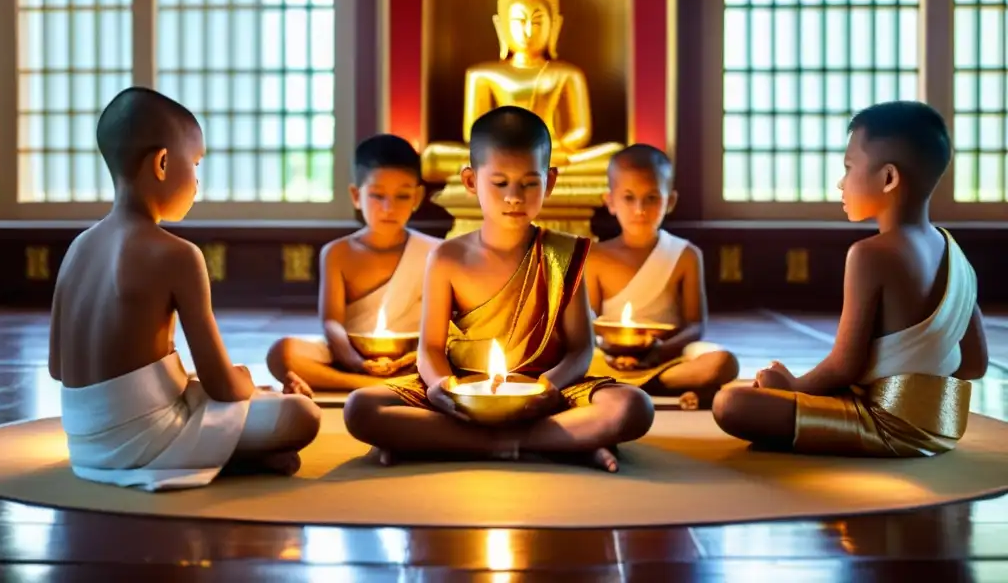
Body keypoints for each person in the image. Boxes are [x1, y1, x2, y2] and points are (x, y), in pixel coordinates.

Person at [343, 106, 655, 472]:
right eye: (499, 182)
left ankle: (455, 445)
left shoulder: (563, 253)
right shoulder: (447, 257)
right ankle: (557, 444)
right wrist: (442, 388)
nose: (514, 197)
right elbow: (429, 347)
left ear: (550, 182)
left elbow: (580, 350)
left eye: (529, 183)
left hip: (545, 395)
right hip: (465, 392)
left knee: (632, 407)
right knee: (361, 409)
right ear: (471, 182)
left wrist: (547, 388)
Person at [49, 87, 321, 492]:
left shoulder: (78, 248)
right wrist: (245, 382)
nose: (197, 182)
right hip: (146, 443)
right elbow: (222, 387)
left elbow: (57, 368)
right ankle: (239, 456)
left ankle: (241, 451)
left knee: (255, 393)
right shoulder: (177, 254)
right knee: (301, 415)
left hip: (84, 444)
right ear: (162, 163)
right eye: (195, 164)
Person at [712, 101, 989, 457]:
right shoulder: (957, 256)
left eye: (849, 167)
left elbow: (844, 366)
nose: (841, 182)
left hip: (886, 426)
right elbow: (974, 364)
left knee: (731, 403)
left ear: (888, 178)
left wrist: (792, 387)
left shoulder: (869, 254)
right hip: (945, 427)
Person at [267, 134, 440, 391]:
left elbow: (442, 330)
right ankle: (379, 385)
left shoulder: (436, 252)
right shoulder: (337, 253)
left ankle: (375, 384)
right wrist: (354, 361)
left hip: (412, 358)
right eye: (377, 196)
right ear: (356, 195)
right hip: (349, 354)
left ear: (417, 197)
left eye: (402, 196)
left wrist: (413, 358)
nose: (388, 207)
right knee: (282, 353)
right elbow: (332, 322)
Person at [585, 145, 739, 409]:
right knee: (575, 359)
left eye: (652, 198)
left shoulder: (686, 255)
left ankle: (626, 385)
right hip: (611, 358)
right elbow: (589, 323)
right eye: (629, 198)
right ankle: (660, 386)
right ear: (610, 201)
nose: (640, 209)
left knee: (723, 362)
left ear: (670, 201)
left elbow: (694, 325)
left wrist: (658, 352)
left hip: (667, 356)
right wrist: (611, 351)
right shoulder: (595, 256)